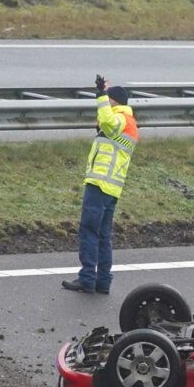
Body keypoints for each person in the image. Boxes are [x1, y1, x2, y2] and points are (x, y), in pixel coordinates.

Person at [62, 75, 139, 294]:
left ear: (115, 101)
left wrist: (101, 95)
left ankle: (87, 279)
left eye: (109, 99)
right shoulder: (128, 123)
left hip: (99, 184)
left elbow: (106, 119)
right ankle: (103, 281)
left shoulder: (120, 118)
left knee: (89, 230)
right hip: (112, 187)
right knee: (103, 235)